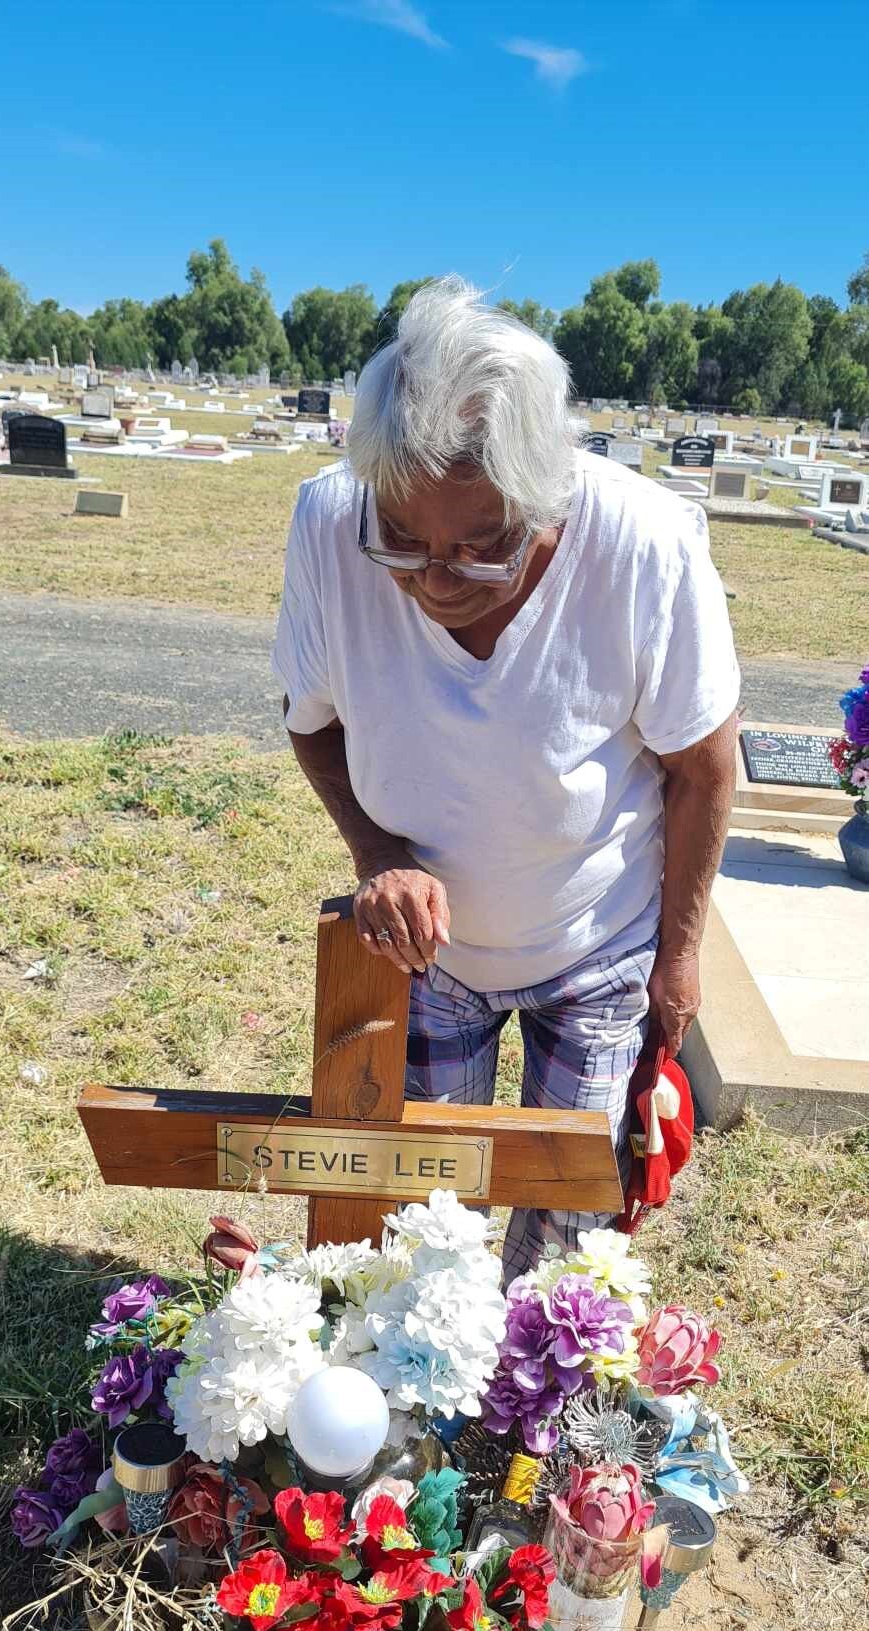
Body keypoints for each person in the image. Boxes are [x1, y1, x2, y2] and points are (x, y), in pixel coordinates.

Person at [275, 279, 739, 1277]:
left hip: (597, 938)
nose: (434, 579)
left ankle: (524, 1396)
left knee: (560, 1213)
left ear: (545, 502)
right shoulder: (327, 524)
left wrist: (678, 953)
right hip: (428, 955)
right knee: (423, 1219)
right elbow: (308, 721)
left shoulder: (642, 544)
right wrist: (378, 851)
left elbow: (703, 771)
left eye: (479, 548)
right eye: (401, 543)